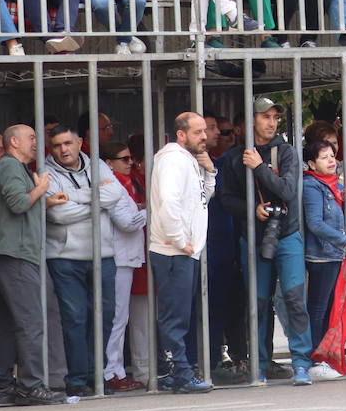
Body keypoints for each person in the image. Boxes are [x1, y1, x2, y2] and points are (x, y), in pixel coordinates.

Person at [215, 97, 313, 385]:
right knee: (256, 303)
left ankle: (301, 363)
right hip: (254, 237)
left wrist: (259, 167)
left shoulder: (287, 152)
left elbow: (287, 190)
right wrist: (251, 210)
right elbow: (225, 198)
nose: (271, 123)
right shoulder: (234, 157)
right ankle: (257, 364)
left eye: (275, 118)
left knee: (295, 299)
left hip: (288, 234)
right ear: (251, 121)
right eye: (265, 117)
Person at [44, 124, 141, 396]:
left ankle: (96, 376)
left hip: (103, 255)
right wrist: (97, 204)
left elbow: (114, 195)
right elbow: (58, 215)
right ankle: (77, 379)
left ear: (79, 143)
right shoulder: (46, 172)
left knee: (105, 316)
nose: (63, 149)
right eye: (57, 145)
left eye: (68, 143)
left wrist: (72, 198)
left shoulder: (97, 165)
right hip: (65, 258)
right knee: (75, 318)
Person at [0, 125, 67, 404]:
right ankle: (30, 385)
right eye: (31, 138)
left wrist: (44, 201)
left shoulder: (14, 167)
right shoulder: (10, 166)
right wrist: (41, 189)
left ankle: (2, 385)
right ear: (14, 142)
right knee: (31, 321)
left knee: (7, 324)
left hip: (9, 254)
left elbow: (20, 204)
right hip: (17, 255)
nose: (36, 143)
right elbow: (18, 203)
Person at [148, 112, 217, 394]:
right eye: (198, 132)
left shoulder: (190, 160)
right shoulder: (174, 160)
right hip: (173, 250)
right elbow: (169, 202)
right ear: (181, 134)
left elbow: (204, 197)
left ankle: (180, 372)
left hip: (184, 250)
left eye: (204, 131)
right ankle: (179, 373)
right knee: (174, 316)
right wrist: (180, 240)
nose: (204, 137)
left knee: (179, 314)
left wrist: (210, 171)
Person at [301, 138, 346, 380]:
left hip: (333, 253)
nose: (331, 160)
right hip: (322, 255)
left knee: (326, 309)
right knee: (318, 309)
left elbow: (340, 215)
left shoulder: (334, 184)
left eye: (332, 156)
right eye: (324, 157)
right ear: (312, 164)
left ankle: (323, 357)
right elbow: (315, 223)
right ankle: (316, 359)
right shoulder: (312, 186)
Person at [99, 140, 149, 392]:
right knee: (117, 319)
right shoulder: (112, 184)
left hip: (125, 256)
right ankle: (112, 371)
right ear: (109, 163)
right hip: (119, 257)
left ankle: (115, 369)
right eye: (124, 159)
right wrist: (151, 211)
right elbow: (127, 222)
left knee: (120, 317)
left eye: (131, 159)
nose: (130, 163)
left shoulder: (121, 183)